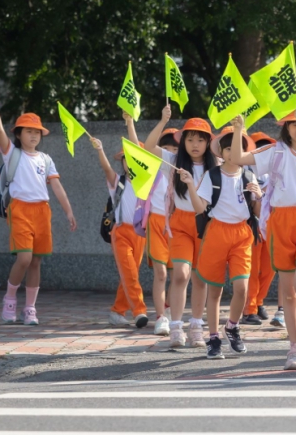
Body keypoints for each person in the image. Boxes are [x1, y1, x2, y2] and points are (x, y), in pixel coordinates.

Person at [229, 99, 296, 370]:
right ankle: (294, 348)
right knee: (288, 293)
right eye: (294, 123)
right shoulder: (276, 152)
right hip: (280, 222)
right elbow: (238, 159)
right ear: (285, 126)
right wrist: (239, 131)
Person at [0, 84, 77, 325]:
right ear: (18, 134)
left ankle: (30, 309)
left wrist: (68, 211)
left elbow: (56, 187)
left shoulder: (46, 160)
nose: (34, 135)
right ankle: (9, 300)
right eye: (28, 131)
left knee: (36, 261)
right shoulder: (11, 153)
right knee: (24, 259)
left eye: (37, 132)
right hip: (19, 209)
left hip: (42, 211)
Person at [144, 108, 216, 348]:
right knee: (181, 274)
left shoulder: (215, 168)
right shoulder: (173, 162)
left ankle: (196, 326)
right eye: (190, 139)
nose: (195, 144)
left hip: (205, 224)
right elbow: (148, 146)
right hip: (179, 224)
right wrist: (163, 120)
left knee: (200, 278)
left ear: (208, 143)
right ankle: (176, 327)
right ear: (183, 141)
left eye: (200, 139)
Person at [190, 127, 261, 358]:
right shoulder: (212, 175)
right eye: (229, 148)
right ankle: (212, 337)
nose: (233, 152)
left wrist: (259, 196)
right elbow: (200, 208)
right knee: (215, 290)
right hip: (216, 232)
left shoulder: (249, 176)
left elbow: (256, 211)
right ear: (221, 151)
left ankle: (232, 326)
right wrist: (191, 185)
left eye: (238, 148)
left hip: (242, 234)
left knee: (241, 287)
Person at [124, 115, 177, 336]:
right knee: (161, 274)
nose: (169, 151)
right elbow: (137, 148)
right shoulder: (151, 170)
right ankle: (161, 317)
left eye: (173, 148)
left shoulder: (180, 169)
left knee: (179, 275)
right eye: (165, 147)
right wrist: (130, 124)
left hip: (177, 225)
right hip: (156, 222)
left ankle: (172, 311)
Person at [91, 136, 148, 329]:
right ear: (122, 162)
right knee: (130, 273)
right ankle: (139, 311)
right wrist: (100, 150)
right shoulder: (118, 182)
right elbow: (107, 169)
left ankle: (117, 312)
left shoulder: (148, 185)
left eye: (136, 160)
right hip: (121, 232)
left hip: (141, 234)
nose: (131, 163)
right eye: (127, 159)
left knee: (130, 274)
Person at [241, 131, 279, 326]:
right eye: (258, 147)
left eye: (266, 147)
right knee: (253, 268)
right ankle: (249, 309)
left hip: (272, 223)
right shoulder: (245, 169)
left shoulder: (275, 170)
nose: (261, 151)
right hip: (251, 224)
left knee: (269, 267)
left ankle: (259, 301)